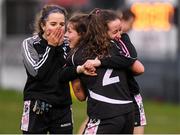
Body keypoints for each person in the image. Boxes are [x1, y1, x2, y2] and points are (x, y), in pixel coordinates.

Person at [59, 10, 144, 134]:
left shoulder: (76, 54)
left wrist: (80, 70)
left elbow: (79, 94)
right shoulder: (115, 46)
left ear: (82, 33)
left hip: (105, 114)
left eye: (69, 31)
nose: (66, 35)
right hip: (128, 110)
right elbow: (138, 67)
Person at [20, 4, 73, 134]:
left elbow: (69, 71)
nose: (58, 28)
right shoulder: (30, 43)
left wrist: (60, 48)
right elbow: (36, 72)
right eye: (53, 24)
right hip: (36, 105)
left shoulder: (68, 43)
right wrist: (51, 47)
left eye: (62, 24)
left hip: (62, 106)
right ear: (43, 25)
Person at [120, 8, 147, 134]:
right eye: (131, 23)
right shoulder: (121, 39)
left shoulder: (101, 42)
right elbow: (139, 68)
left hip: (108, 94)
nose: (131, 27)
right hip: (128, 93)